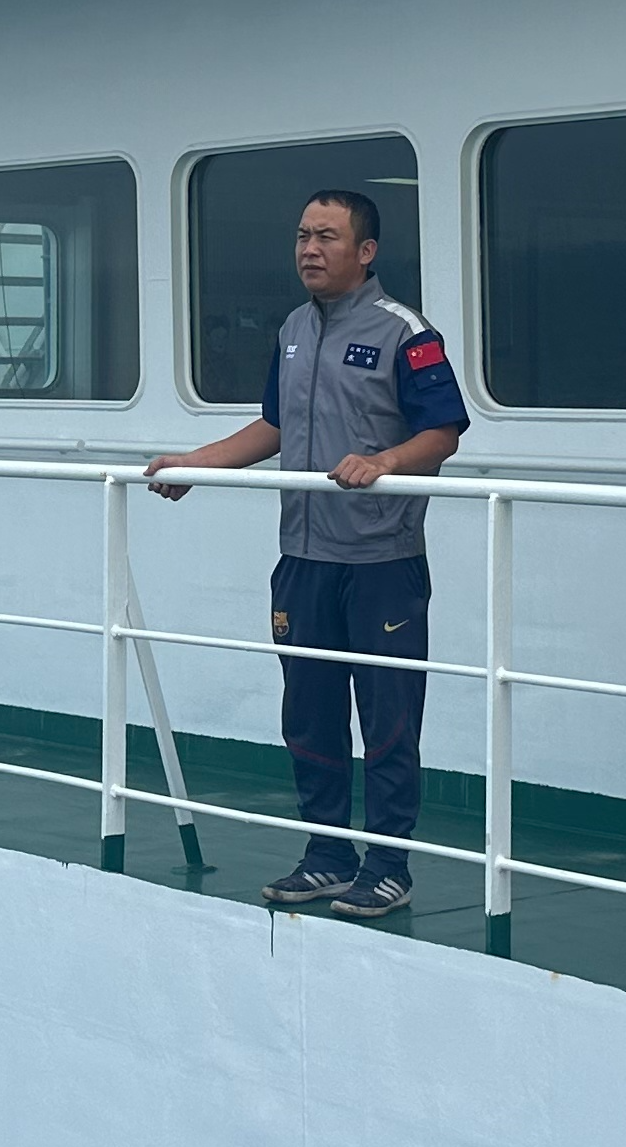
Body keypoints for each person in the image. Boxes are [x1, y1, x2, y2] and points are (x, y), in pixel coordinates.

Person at [146, 190, 469, 916]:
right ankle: (326, 854)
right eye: (301, 236)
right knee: (310, 712)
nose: (308, 249)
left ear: (366, 251)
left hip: (381, 559)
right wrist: (197, 466)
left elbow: (444, 431)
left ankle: (388, 866)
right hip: (302, 555)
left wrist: (383, 460)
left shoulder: (404, 332)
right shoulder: (292, 328)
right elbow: (274, 424)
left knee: (386, 720)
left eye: (326, 236)